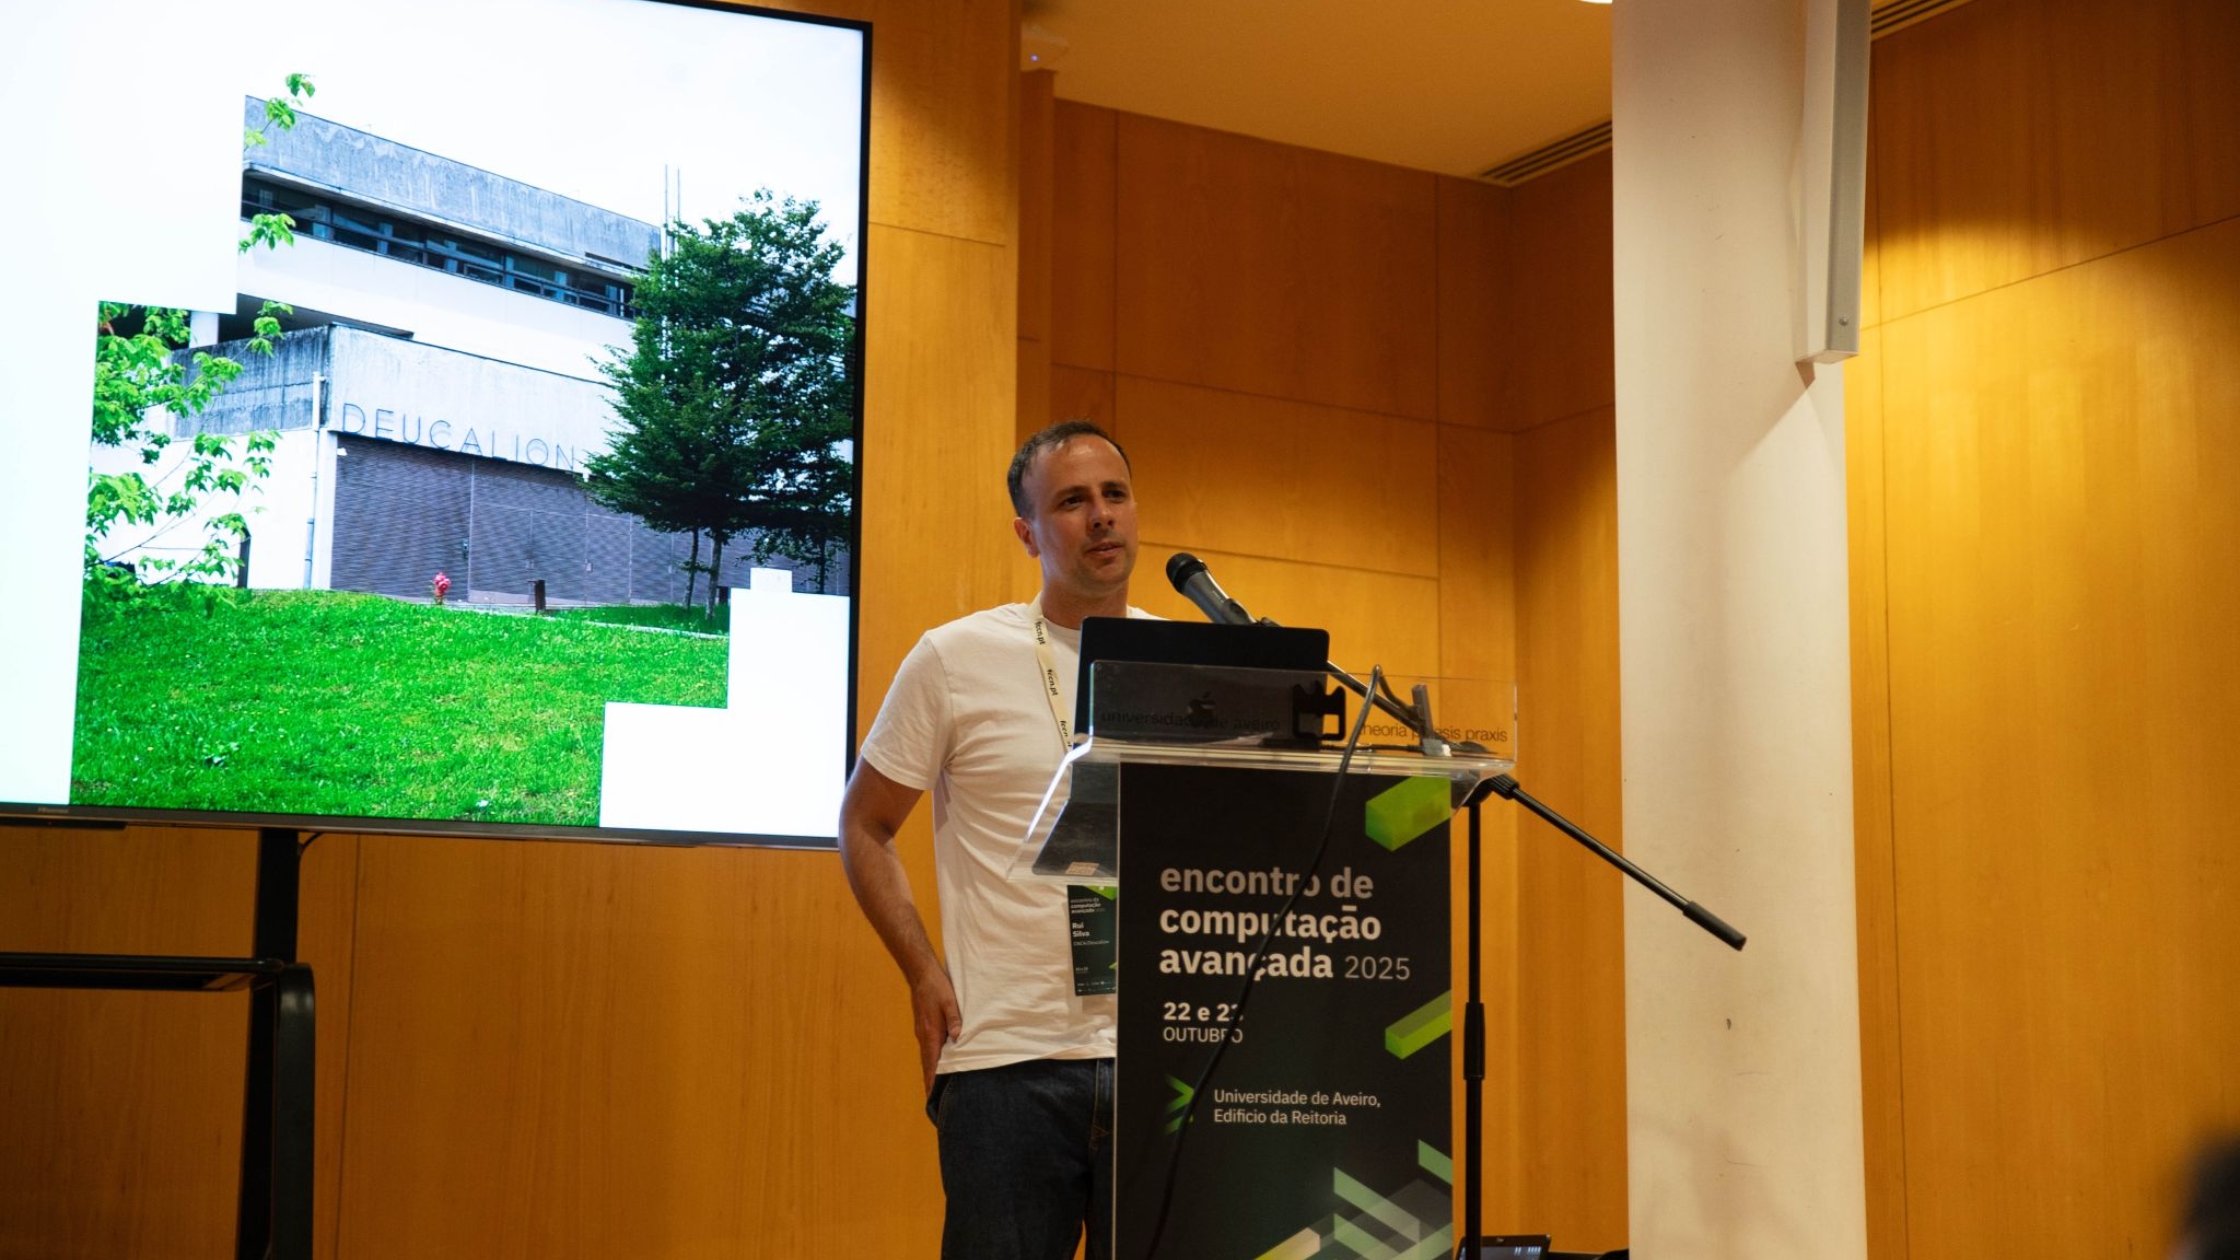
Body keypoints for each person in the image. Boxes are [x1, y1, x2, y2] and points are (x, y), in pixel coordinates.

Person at [838, 419, 1142, 1260]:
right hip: (1005, 1058)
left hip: (1164, 1057)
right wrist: (920, 970)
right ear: (1028, 532)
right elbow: (864, 823)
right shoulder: (954, 658)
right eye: (1072, 501)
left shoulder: (1184, 661)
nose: (1101, 517)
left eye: (1114, 494)